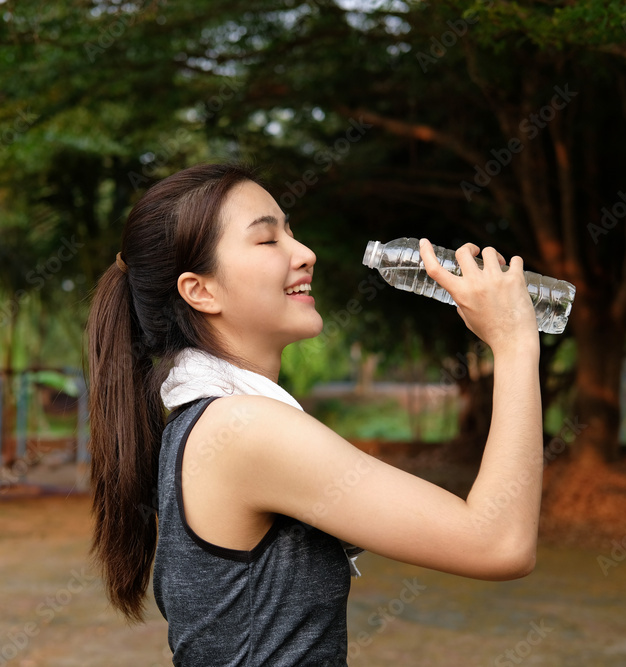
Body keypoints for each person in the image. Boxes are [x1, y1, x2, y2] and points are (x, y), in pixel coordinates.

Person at [85, 163, 542, 665]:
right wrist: (515, 342)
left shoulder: (209, 420)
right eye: (266, 240)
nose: (305, 254)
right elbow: (499, 542)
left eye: (292, 232)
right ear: (201, 291)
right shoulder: (242, 428)